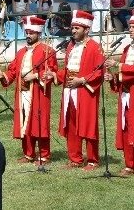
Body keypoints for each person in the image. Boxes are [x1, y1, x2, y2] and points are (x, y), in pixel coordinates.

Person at [0, 16, 57, 163]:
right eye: (27, 32)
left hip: (38, 92)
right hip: (22, 93)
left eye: (32, 33)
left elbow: (51, 71)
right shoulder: (21, 52)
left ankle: (44, 154)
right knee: (24, 122)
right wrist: (3, 75)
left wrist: (35, 76)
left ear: (39, 34)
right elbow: (13, 71)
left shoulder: (47, 51)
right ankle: (28, 153)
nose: (28, 35)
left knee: (39, 122)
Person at [56, 10, 104, 169]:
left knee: (88, 124)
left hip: (85, 90)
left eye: (77, 28)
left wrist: (82, 80)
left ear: (86, 29)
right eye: (73, 28)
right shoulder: (70, 46)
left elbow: (99, 71)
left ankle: (92, 159)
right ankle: (75, 158)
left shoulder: (95, 47)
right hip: (69, 91)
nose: (73, 31)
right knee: (71, 124)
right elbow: (68, 69)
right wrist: (55, 75)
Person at [106, 18, 134, 175]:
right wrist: (114, 78)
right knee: (126, 127)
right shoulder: (127, 49)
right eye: (130, 27)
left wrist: (118, 65)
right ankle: (129, 164)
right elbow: (124, 72)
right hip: (126, 93)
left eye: (133, 27)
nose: (130, 29)